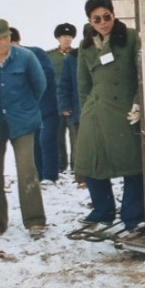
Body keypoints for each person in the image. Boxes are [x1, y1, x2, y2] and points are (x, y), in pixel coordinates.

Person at [75, 0, 145, 230]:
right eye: (97, 19)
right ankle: (103, 209)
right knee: (92, 162)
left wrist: (138, 103)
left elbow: (142, 74)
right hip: (95, 112)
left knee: (131, 164)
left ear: (114, 15)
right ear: (90, 21)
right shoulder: (86, 46)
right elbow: (83, 84)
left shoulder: (131, 37)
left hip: (123, 111)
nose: (103, 22)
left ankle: (132, 214)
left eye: (107, 17)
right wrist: (86, 110)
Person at [0, 19, 47, 238]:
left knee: (26, 170)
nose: (4, 42)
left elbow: (40, 85)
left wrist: (26, 108)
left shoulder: (26, 57)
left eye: (7, 37)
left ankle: (35, 220)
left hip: (23, 121)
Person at [10, 27, 59, 185]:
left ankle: (50, 175)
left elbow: (47, 75)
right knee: (33, 143)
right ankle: (37, 174)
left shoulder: (35, 53)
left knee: (47, 140)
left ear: (17, 41)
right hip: (27, 111)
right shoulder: (7, 61)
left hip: (47, 107)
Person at [57, 24, 86, 188]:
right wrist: (65, 105)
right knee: (78, 143)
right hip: (77, 108)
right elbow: (64, 84)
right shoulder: (72, 58)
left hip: (97, 107)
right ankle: (80, 175)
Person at [48, 23, 77, 173]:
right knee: (58, 135)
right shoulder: (50, 56)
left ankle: (76, 165)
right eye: (64, 36)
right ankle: (60, 165)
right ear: (58, 38)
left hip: (73, 102)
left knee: (75, 136)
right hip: (55, 102)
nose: (67, 39)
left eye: (70, 36)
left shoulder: (77, 55)